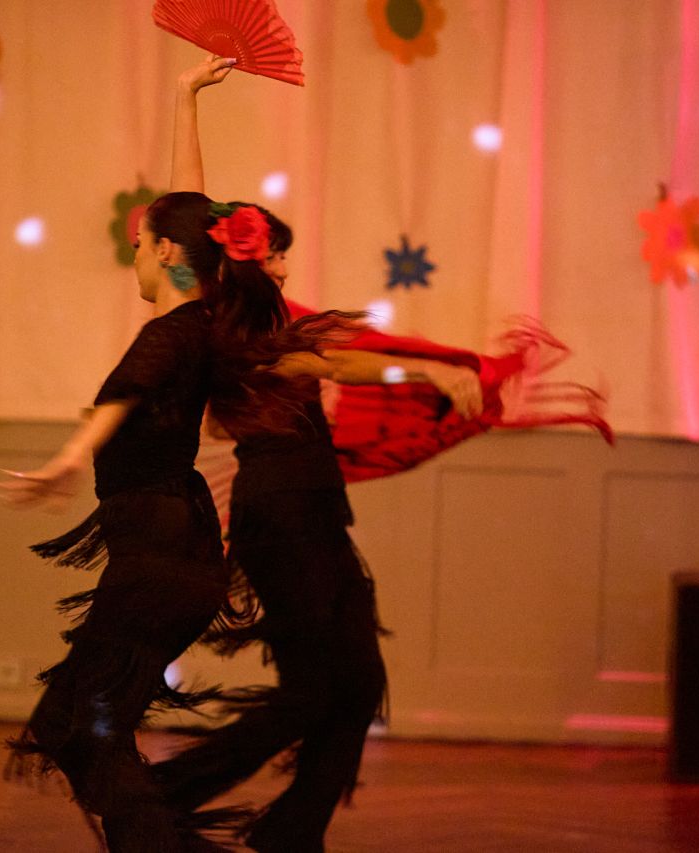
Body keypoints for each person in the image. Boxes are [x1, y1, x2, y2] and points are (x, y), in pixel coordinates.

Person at [148, 57, 490, 853]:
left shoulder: (265, 314)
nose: (285, 268)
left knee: (357, 683)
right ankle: (164, 795)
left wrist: (187, 97)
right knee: (313, 691)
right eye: (274, 256)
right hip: (277, 516)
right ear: (238, 260)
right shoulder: (223, 323)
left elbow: (197, 205)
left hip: (311, 509)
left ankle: (291, 831)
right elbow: (335, 362)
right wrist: (424, 371)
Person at [0, 187, 350, 852]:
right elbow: (190, 202)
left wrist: (68, 458)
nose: (134, 258)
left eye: (138, 245)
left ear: (164, 251)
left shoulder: (170, 334)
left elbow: (122, 395)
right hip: (183, 555)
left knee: (84, 726)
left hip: (158, 561)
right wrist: (185, 119)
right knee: (79, 724)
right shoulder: (209, 323)